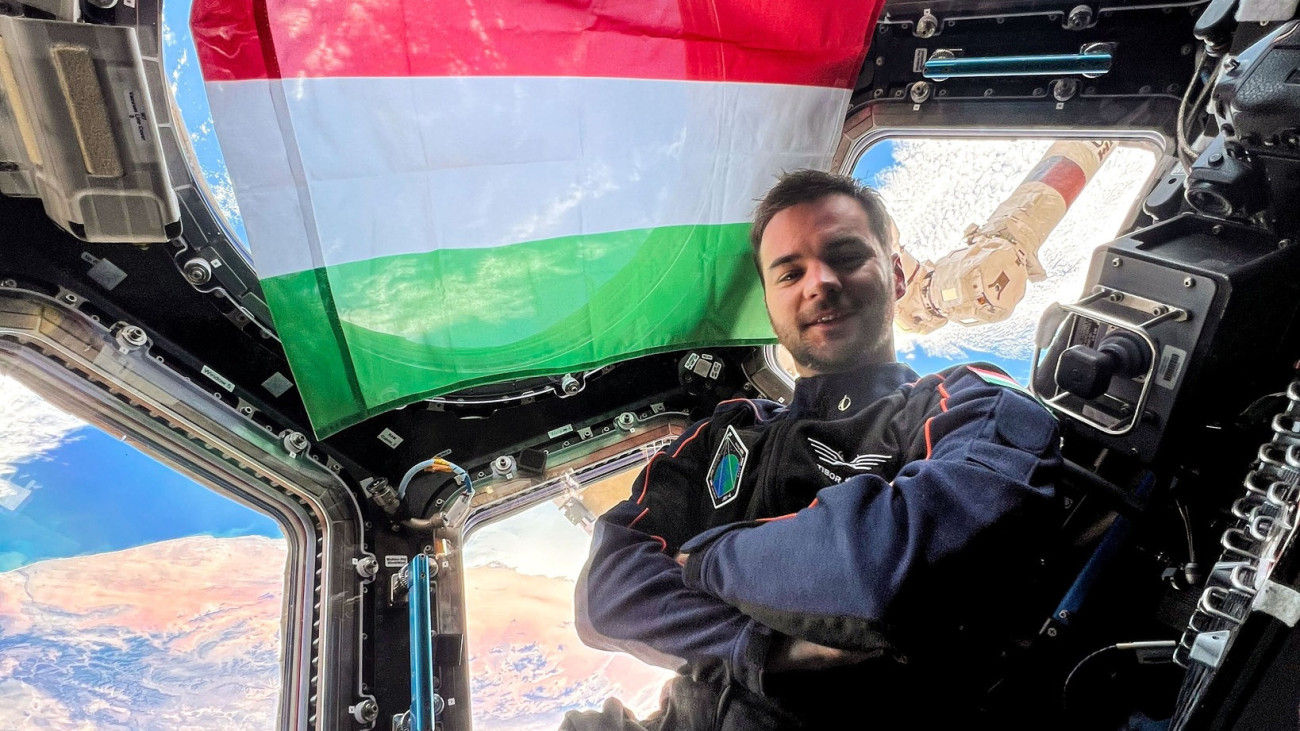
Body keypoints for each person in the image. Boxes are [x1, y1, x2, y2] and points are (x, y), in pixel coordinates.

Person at [562, 170, 1062, 730]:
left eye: (845, 256)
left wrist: (703, 560)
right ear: (771, 303)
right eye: (790, 273)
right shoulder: (728, 430)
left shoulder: (969, 402)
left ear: (897, 275)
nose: (819, 282)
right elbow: (607, 590)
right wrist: (760, 646)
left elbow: (885, 569)